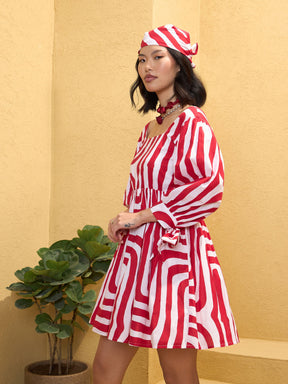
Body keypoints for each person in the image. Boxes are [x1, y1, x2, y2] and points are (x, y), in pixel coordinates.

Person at [90, 24, 239, 384]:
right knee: (104, 367)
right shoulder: (150, 129)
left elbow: (210, 188)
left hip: (175, 258)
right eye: (142, 59)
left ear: (180, 65)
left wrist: (143, 215)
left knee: (177, 371)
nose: (147, 67)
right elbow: (145, 190)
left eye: (158, 57)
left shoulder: (192, 122)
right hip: (136, 256)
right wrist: (125, 218)